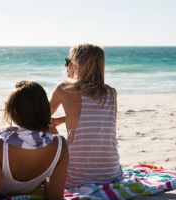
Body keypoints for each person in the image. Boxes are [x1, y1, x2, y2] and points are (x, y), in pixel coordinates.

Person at [0, 81, 68, 200]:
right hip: (31, 178)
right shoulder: (60, 145)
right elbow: (55, 198)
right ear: (45, 109)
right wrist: (44, 178)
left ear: (13, 112)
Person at [50, 44, 122, 188]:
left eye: (68, 61)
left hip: (75, 177)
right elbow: (98, 121)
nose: (66, 65)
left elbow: (37, 118)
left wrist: (53, 125)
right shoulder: (111, 93)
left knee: (46, 126)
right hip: (111, 175)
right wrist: (63, 119)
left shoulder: (63, 89)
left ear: (76, 64)